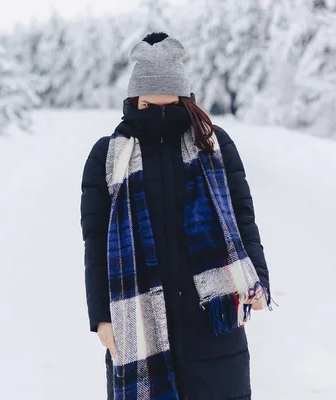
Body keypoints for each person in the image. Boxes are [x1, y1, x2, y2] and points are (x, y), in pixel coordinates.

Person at [80, 32, 271, 400]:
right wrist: (101, 313)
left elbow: (243, 216)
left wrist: (257, 277)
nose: (162, 113)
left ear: (184, 97)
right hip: (138, 321)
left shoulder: (214, 144)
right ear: (135, 98)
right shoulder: (106, 157)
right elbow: (96, 243)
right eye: (152, 104)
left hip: (209, 318)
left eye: (171, 102)